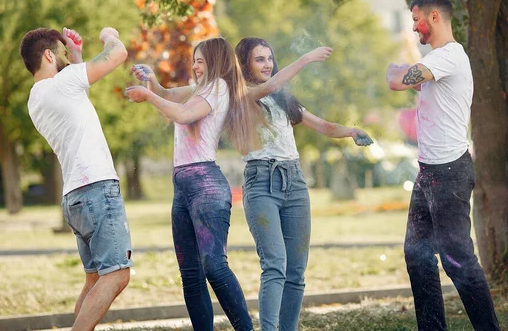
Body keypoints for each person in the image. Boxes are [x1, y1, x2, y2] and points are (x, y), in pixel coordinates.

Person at [125, 37, 332, 331]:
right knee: (191, 274)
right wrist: (151, 82)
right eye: (193, 61)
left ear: (215, 63)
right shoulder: (199, 89)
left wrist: (305, 58)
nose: (195, 66)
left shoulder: (221, 88)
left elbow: (182, 113)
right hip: (182, 184)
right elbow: (168, 95)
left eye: (200, 61)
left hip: (206, 184)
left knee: (215, 266)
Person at [234, 37, 373, 331]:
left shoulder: (283, 99)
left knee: (296, 271)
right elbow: (269, 86)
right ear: (244, 63)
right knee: (275, 265)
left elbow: (322, 125)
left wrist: (351, 131)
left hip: (294, 183)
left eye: (269, 58)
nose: (267, 64)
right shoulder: (241, 93)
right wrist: (306, 58)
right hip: (261, 183)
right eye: (259, 59)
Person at [386, 0, 500, 330]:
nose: (415, 27)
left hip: (449, 173)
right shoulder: (437, 66)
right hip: (429, 172)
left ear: (435, 17)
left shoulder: (448, 56)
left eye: (417, 20)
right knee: (416, 254)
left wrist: (394, 69)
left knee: (458, 258)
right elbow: (418, 85)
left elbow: (396, 81)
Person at [21, 27, 132, 331]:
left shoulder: (37, 98)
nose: (67, 58)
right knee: (117, 275)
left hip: (76, 197)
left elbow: (77, 93)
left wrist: (77, 53)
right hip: (97, 189)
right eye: (61, 53)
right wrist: (109, 35)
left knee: (95, 278)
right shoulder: (63, 84)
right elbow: (117, 54)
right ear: (48, 55)